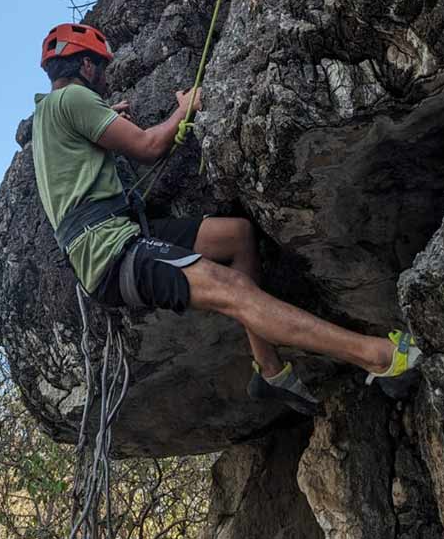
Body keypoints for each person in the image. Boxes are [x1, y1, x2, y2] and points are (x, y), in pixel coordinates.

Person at [32, 23, 420, 415]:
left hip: (112, 241)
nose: (103, 78)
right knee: (234, 290)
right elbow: (149, 147)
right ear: (84, 66)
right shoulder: (76, 100)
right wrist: (183, 109)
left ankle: (269, 370)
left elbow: (75, 154)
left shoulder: (48, 115)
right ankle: (378, 356)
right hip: (113, 252)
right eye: (100, 68)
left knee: (237, 236)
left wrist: (102, 119)